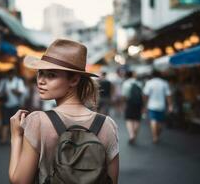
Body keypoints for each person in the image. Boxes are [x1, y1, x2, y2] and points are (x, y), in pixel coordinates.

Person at [8, 39, 119, 184]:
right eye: (40, 73)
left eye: (51, 75)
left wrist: (16, 137)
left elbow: (19, 181)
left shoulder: (38, 121)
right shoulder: (107, 125)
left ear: (74, 80)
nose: (41, 80)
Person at [0, 69, 26, 144]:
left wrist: (14, 91)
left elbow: (22, 92)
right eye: (9, 74)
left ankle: (16, 138)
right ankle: (4, 139)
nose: (10, 76)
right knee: (5, 122)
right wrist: (2, 92)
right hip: (5, 105)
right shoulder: (3, 81)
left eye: (11, 74)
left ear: (14, 74)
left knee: (16, 122)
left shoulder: (18, 81)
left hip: (15, 104)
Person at [143, 71, 172, 144]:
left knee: (153, 120)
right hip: (162, 105)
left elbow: (145, 95)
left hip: (151, 105)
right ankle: (157, 135)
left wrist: (145, 105)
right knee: (160, 121)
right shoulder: (164, 83)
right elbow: (168, 95)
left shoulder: (149, 83)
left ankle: (155, 136)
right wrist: (170, 105)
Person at [121, 70, 143, 144]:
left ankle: (131, 135)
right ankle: (134, 134)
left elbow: (124, 96)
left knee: (129, 119)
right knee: (137, 119)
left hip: (129, 103)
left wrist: (124, 104)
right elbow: (143, 95)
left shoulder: (126, 83)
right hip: (139, 103)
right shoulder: (139, 83)